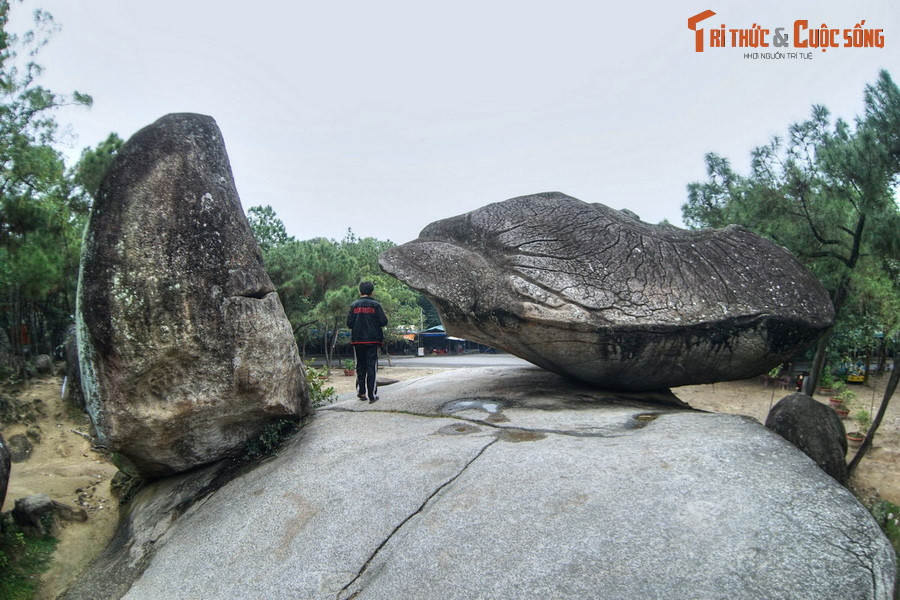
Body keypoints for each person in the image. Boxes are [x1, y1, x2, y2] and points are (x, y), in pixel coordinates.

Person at [346, 281, 388, 403]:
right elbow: (383, 322)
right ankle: (372, 395)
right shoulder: (376, 305)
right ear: (372, 292)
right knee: (371, 367)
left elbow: (349, 324)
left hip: (358, 341)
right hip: (373, 340)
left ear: (360, 292)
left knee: (360, 366)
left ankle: (361, 392)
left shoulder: (354, 306)